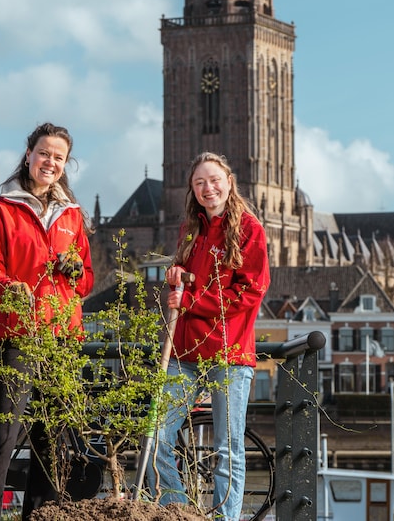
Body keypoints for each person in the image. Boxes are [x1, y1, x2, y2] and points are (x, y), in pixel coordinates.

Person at [0, 122, 94, 521]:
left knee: (52, 439)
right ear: (28, 155)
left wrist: (74, 272)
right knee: (3, 437)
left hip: (62, 337)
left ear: (65, 165)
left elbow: (87, 279)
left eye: (59, 157)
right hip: (16, 335)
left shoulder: (72, 216)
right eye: (44, 153)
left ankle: (40, 517)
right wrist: (9, 289)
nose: (50, 162)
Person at [149, 152, 269, 521]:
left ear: (229, 182)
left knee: (227, 449)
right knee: (155, 438)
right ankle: (183, 513)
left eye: (214, 180)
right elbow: (183, 283)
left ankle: (224, 519)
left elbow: (251, 291)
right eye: (199, 182)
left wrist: (192, 301)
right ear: (192, 189)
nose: (207, 188)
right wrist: (175, 283)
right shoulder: (190, 230)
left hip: (229, 356)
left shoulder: (249, 229)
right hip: (184, 353)